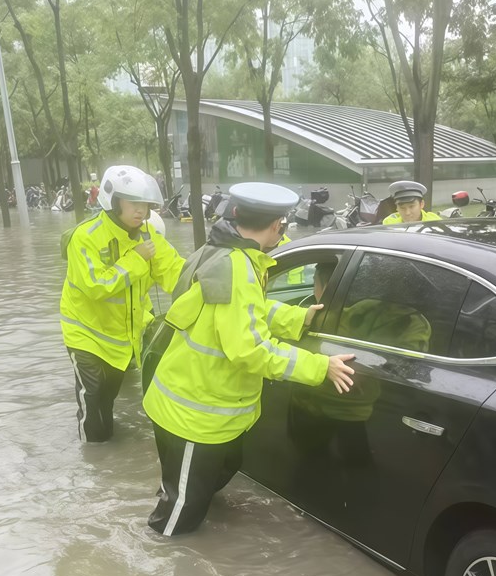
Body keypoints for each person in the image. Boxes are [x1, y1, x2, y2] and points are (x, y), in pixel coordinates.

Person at [143, 182, 356, 536]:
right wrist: (320, 366)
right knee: (180, 513)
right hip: (194, 416)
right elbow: (250, 350)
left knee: (220, 469)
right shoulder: (237, 268)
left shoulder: (225, 253)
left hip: (192, 403)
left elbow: (242, 314)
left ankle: (175, 491)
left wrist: (298, 318)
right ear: (276, 226)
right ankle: (156, 574)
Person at [60, 164, 185, 442]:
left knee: (108, 398)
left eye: (144, 204)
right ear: (114, 201)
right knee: (92, 399)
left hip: (121, 339)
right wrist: (136, 259)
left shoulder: (148, 235)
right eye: (133, 203)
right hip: (85, 334)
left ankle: (104, 451)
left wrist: (207, 283)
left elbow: (175, 271)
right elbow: (96, 287)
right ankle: (93, 458)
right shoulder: (86, 237)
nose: (140, 211)